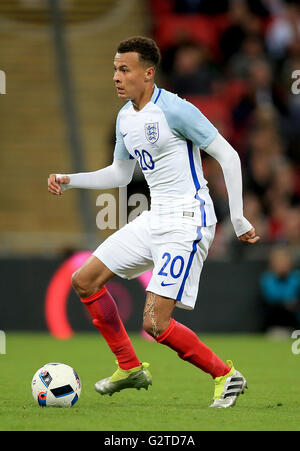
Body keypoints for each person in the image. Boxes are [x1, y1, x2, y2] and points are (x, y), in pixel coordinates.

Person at [48, 36, 260, 408]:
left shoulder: (176, 110)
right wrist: (71, 179)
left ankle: (226, 375)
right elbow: (119, 173)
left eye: (124, 69)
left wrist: (239, 217)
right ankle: (129, 367)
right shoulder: (125, 117)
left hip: (188, 219)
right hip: (154, 217)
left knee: (155, 324)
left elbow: (228, 155)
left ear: (148, 74)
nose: (116, 76)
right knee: (84, 280)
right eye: (115, 69)